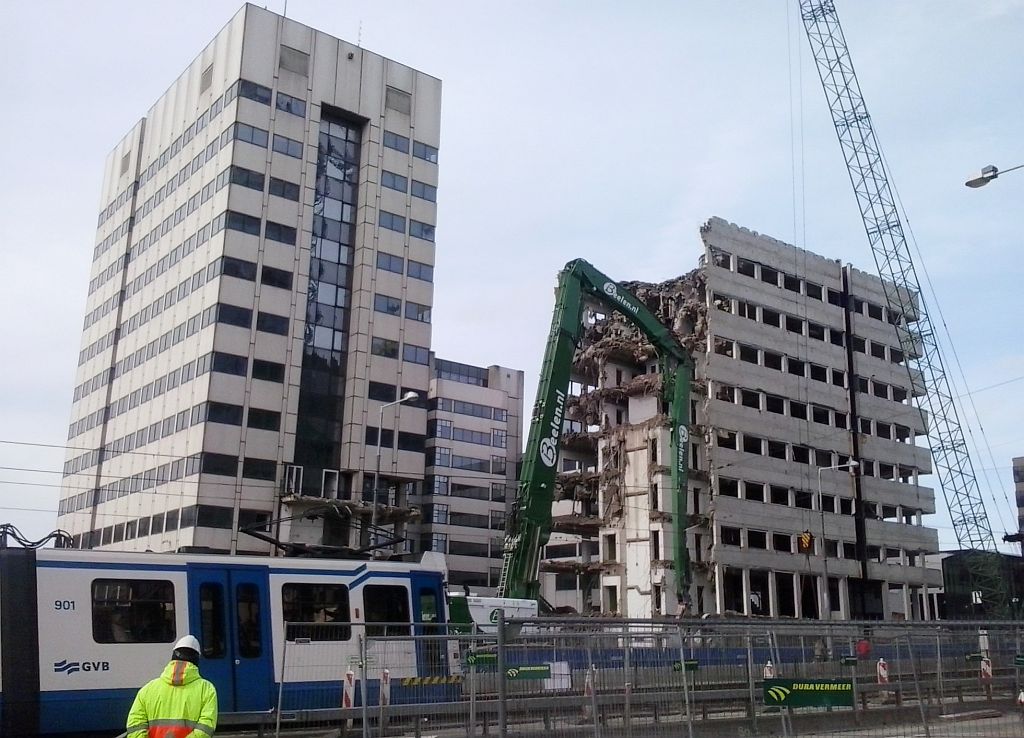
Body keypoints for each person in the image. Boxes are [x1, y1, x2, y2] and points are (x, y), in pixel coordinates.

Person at [126, 635, 218, 738]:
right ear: (197, 659)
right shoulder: (207, 689)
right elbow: (205, 729)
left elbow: (135, 725)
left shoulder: (148, 689)